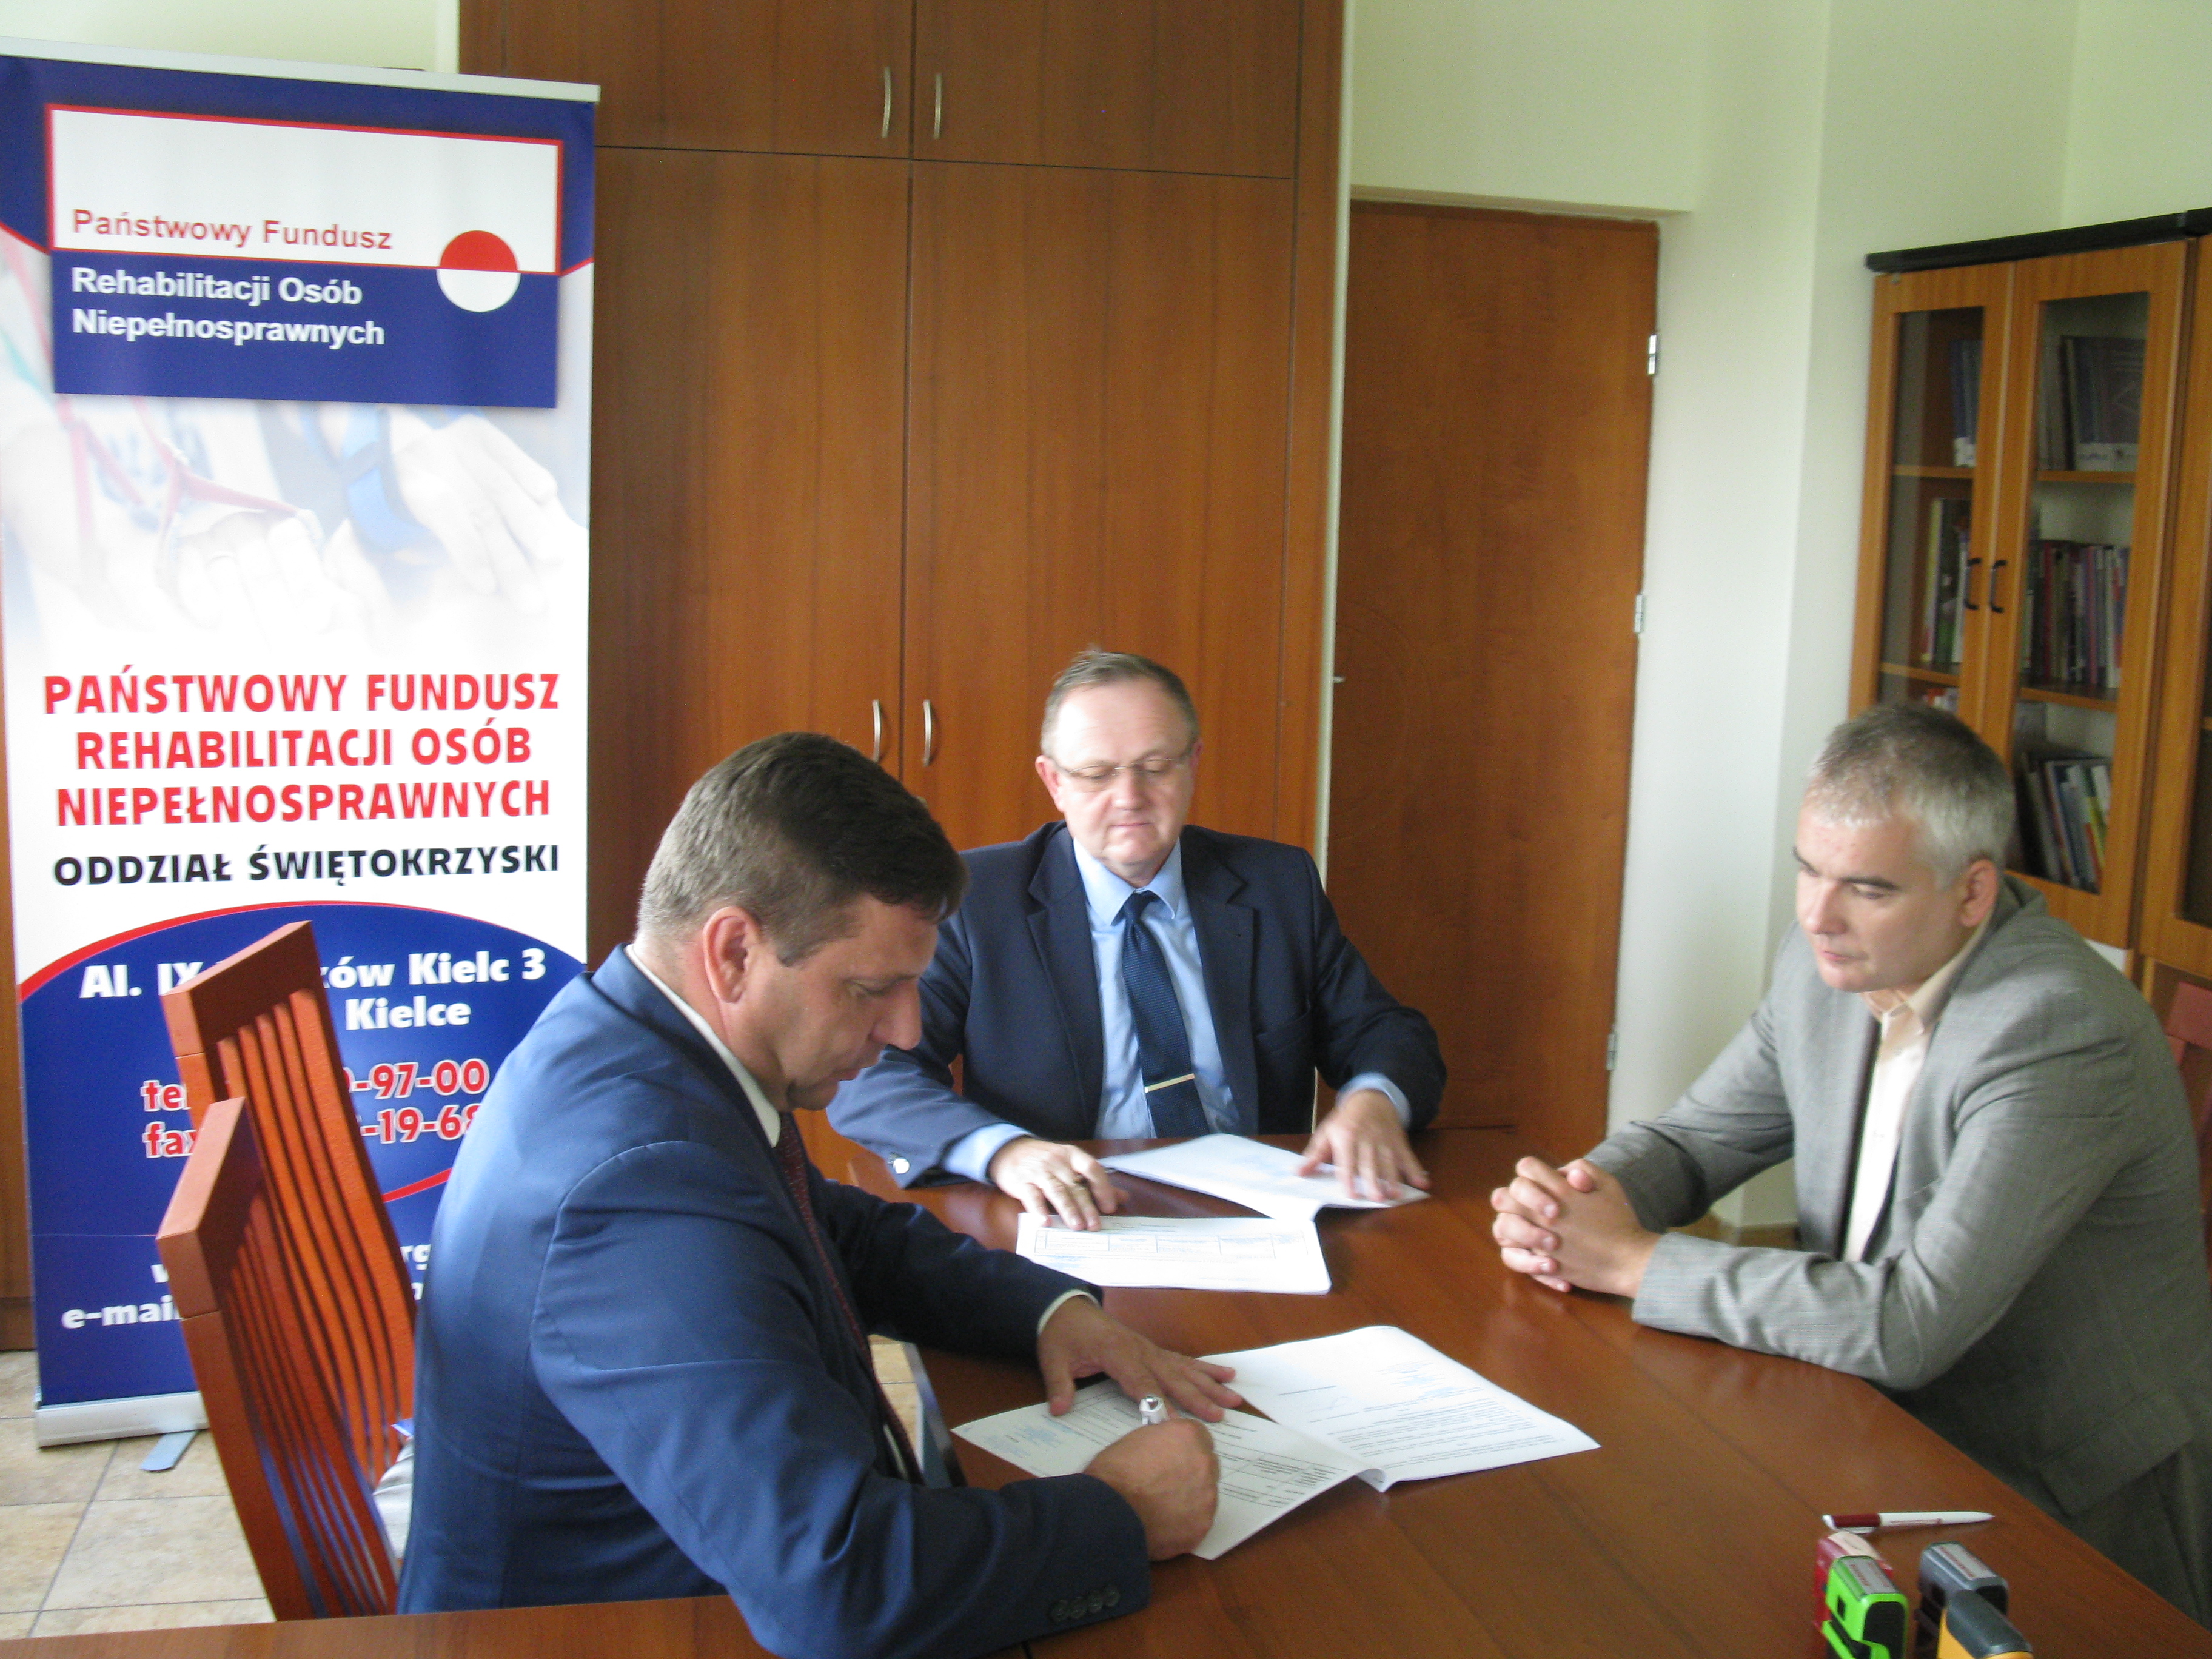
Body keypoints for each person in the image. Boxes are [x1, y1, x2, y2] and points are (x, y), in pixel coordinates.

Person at [400, 733, 1238, 1658]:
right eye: (872, 988)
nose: (907, 1029)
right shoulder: (638, 1186)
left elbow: (826, 1228)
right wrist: (1118, 1514)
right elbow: (834, 1585)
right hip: (621, 1629)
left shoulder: (646, 1042)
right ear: (734, 952)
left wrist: (1047, 1313)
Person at [1490, 703, 2212, 1623]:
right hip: (1872, 1423)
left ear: (1973, 894)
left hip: (2054, 1491)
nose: (1817, 916)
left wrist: (1634, 1261)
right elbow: (1696, 1139)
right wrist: (1572, 1202)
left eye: (1868, 888)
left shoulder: (2055, 1028)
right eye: (1808, 870)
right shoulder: (1826, 965)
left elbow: (1912, 1322)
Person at [831, 649, 1446, 1227]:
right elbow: (872, 1073)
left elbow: (1386, 1032)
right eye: (1097, 774)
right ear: (1054, 781)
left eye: (1155, 768)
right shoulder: (979, 901)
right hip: (1073, 1211)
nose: (1130, 799)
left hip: (1257, 1214)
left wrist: (1374, 1101)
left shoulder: (1276, 884)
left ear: (1192, 764)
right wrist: (1004, 1152)